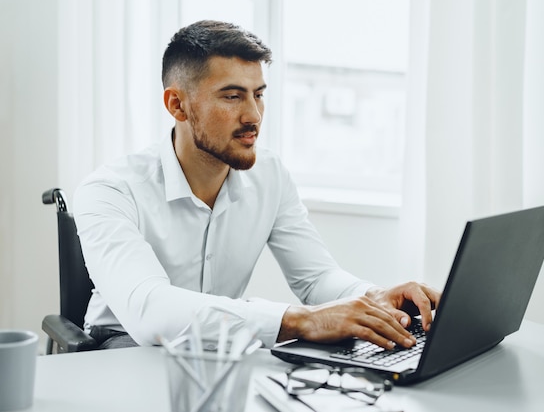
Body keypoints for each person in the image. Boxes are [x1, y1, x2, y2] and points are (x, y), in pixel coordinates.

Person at [74, 20, 441, 350]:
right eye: (232, 96)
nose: (253, 116)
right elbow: (150, 313)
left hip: (221, 347)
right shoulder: (109, 190)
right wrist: (301, 320)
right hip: (127, 346)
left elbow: (317, 277)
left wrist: (373, 297)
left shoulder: (270, 174)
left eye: (259, 94)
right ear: (177, 104)